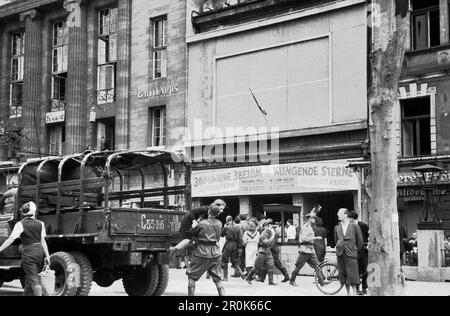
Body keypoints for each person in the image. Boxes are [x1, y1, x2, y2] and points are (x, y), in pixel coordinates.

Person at [0, 202, 51, 296]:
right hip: (39, 252)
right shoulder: (41, 223)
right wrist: (47, 256)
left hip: (28, 253)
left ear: (23, 212)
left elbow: (11, 239)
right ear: (34, 212)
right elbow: (43, 241)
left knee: (34, 281)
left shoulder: (20, 224)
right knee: (29, 279)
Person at [186, 204, 225, 296]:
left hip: (201, 251)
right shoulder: (219, 223)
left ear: (208, 212)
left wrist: (196, 223)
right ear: (218, 213)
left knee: (191, 277)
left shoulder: (201, 223)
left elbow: (193, 233)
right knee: (218, 280)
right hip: (215, 252)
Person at [289, 211, 324, 287]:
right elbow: (304, 238)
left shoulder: (311, 227)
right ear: (309, 219)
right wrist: (315, 237)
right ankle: (292, 280)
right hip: (305, 250)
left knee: (317, 265)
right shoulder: (305, 227)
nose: (315, 220)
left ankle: (322, 281)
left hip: (310, 250)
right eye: (313, 218)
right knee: (298, 266)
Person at [334, 208, 363, 296]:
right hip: (340, 253)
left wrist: (355, 249)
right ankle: (348, 293)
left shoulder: (354, 226)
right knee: (343, 274)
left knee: (353, 274)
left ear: (346, 214)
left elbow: (360, 240)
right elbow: (336, 240)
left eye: (339, 213)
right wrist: (339, 247)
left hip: (351, 253)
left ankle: (354, 292)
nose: (338, 214)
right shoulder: (337, 227)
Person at [245, 219, 276, 285]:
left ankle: (270, 281)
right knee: (257, 266)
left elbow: (271, 244)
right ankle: (249, 277)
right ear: (266, 226)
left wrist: (273, 235)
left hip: (267, 250)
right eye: (269, 225)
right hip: (262, 251)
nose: (271, 226)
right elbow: (265, 242)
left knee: (271, 265)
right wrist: (273, 236)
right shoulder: (264, 233)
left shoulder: (269, 232)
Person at [348, 210, 369, 296]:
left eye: (349, 218)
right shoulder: (349, 226)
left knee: (364, 268)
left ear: (352, 218)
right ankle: (356, 288)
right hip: (353, 250)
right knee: (356, 269)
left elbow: (369, 234)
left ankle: (364, 287)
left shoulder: (363, 225)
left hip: (363, 250)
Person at [221, 216, 243, 280]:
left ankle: (225, 277)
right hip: (235, 245)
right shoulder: (238, 227)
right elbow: (240, 238)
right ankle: (242, 274)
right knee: (235, 261)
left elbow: (221, 235)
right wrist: (240, 247)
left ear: (227, 220)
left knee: (224, 260)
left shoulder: (226, 227)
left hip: (228, 244)